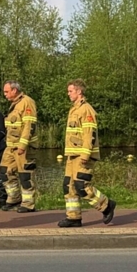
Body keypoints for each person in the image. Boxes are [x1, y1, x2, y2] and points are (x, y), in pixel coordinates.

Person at [59, 79, 115, 227]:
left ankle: (106, 205)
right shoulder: (74, 109)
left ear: (79, 91)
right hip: (72, 155)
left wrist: (85, 154)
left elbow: (89, 134)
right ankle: (73, 218)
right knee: (68, 186)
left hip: (82, 155)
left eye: (70, 91)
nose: (68, 93)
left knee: (81, 185)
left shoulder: (86, 110)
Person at [0, 81, 38, 212]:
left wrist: (23, 145)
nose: (4, 94)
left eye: (6, 91)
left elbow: (29, 125)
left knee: (25, 175)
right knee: (4, 171)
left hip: (23, 147)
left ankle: (28, 204)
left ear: (14, 90)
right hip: (10, 146)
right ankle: (14, 198)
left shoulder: (27, 102)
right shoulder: (14, 104)